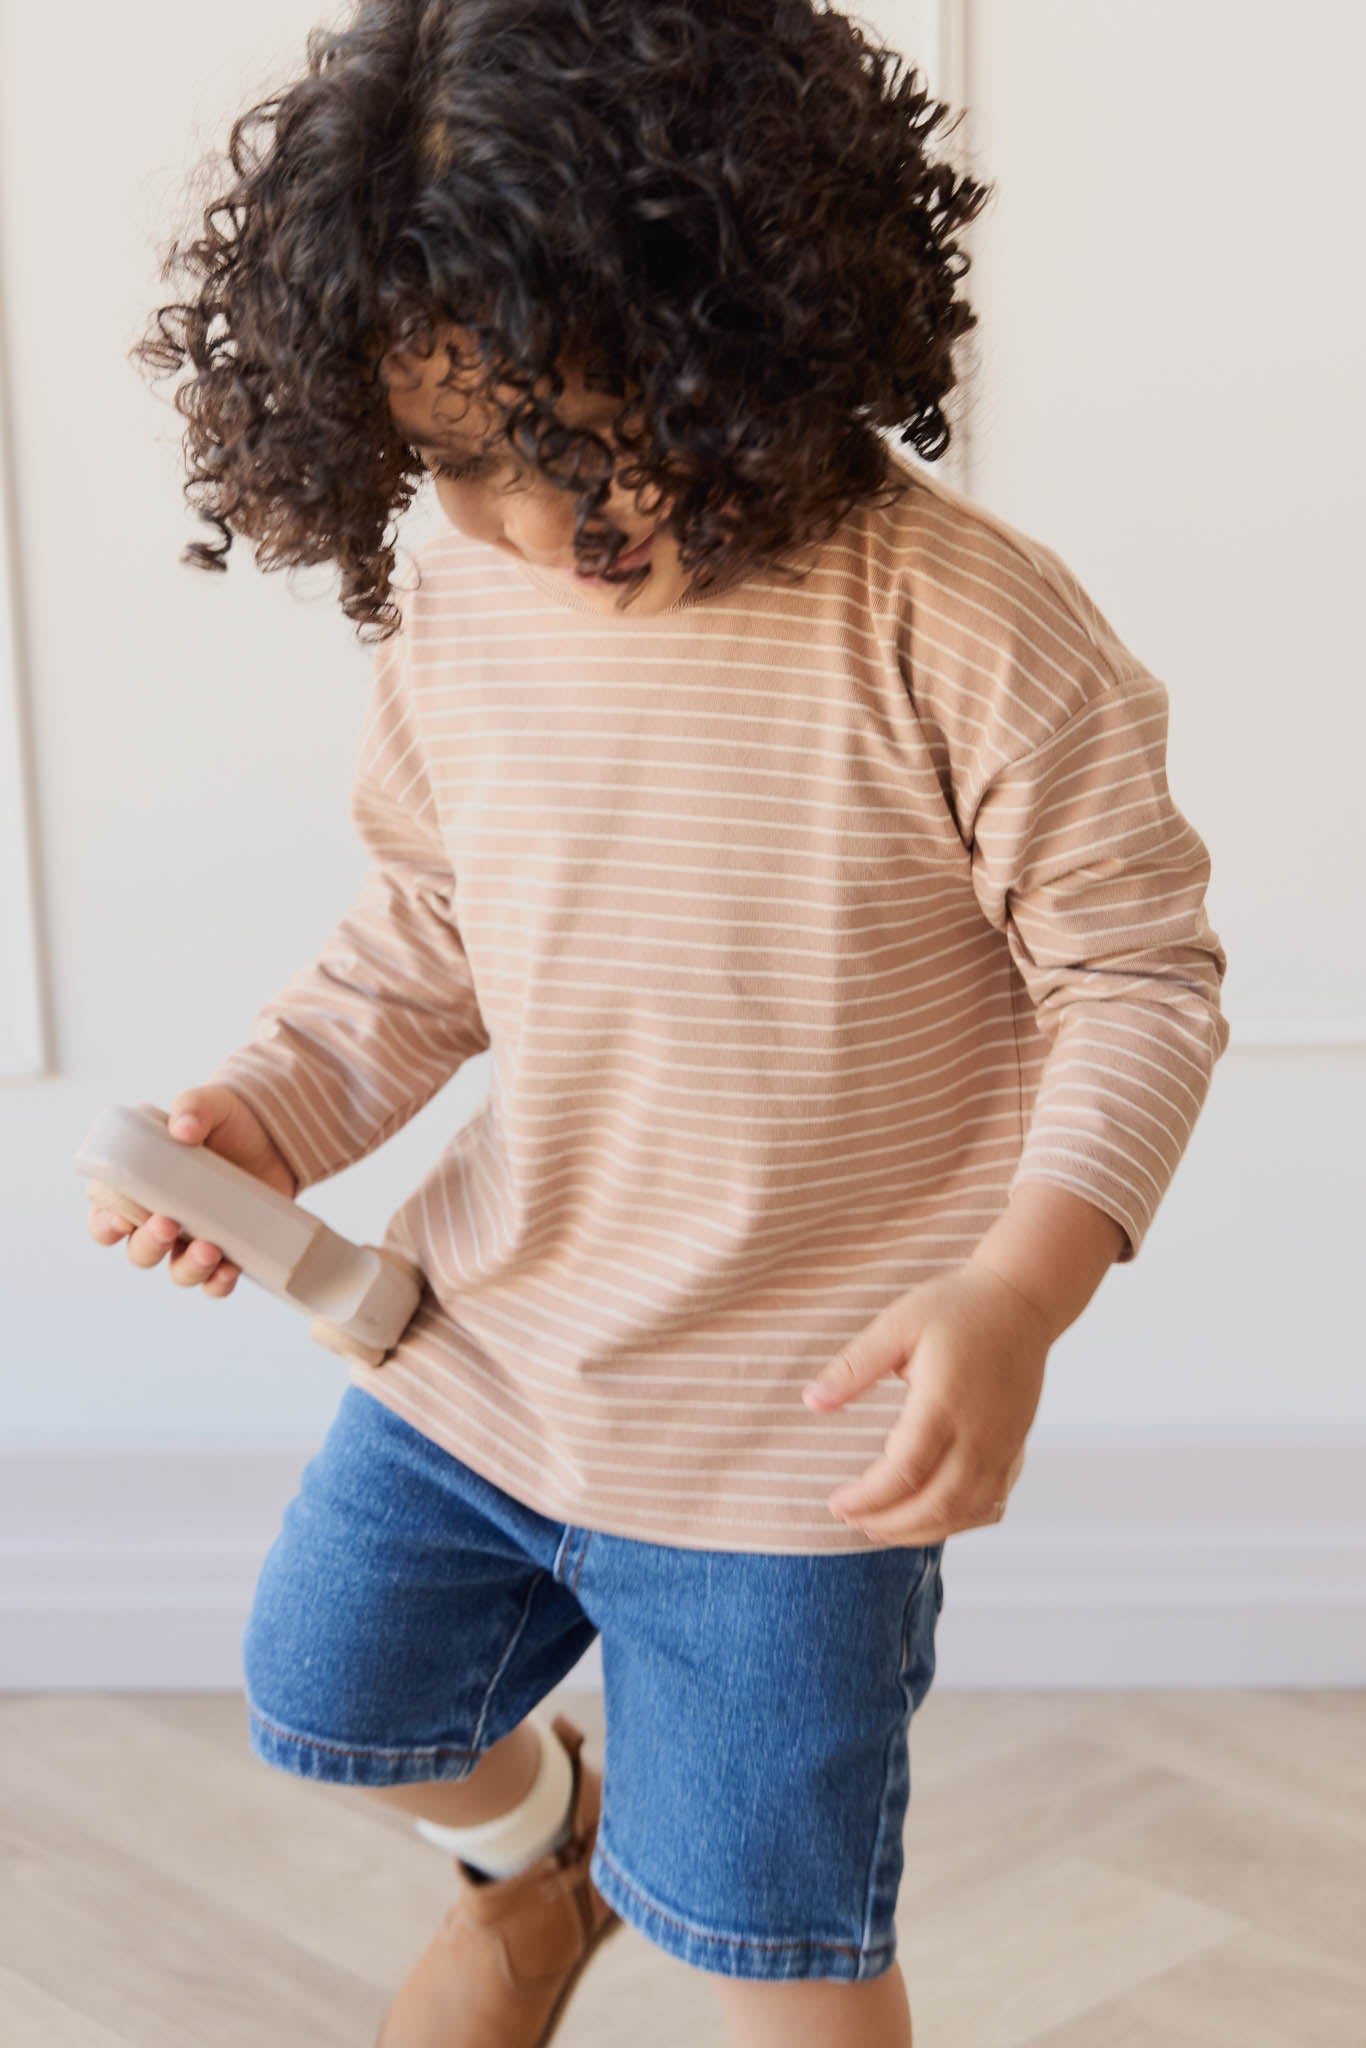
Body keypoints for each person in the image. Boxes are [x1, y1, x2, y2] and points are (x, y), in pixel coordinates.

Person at [94, 2, 1231, 2042]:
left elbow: (1131, 974)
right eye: (457, 461)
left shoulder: (960, 620)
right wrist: (270, 1110)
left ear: (753, 328)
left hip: (794, 1440)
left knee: (775, 1954)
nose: (544, 518)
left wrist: (1019, 1288)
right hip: (493, 1338)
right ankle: (544, 1862)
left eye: (591, 432)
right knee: (325, 1698)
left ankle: (648, 1881)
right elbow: (427, 928)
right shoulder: (457, 611)